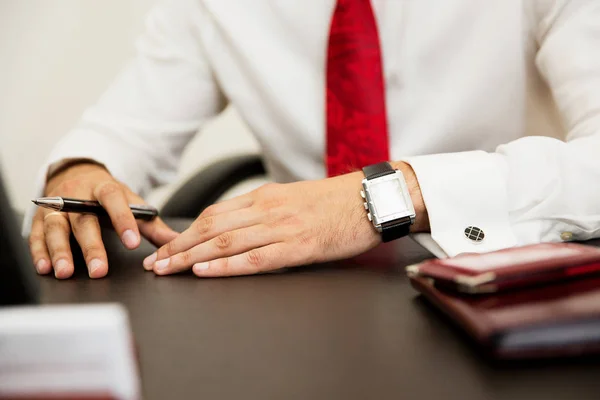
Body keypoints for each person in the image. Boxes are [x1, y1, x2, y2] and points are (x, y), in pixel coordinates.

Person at [23, 0, 600, 280]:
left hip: (494, 278)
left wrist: (381, 198)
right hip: (307, 294)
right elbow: (119, 133)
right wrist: (79, 170)